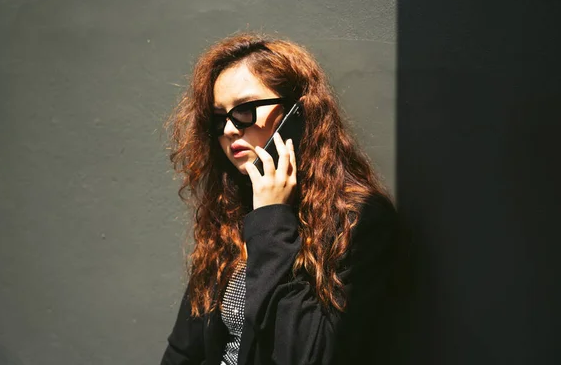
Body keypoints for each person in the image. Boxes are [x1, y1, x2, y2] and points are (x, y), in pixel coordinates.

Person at [161, 32, 401, 365]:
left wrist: (273, 217)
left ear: (296, 115)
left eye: (245, 111)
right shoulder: (233, 213)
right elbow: (183, 351)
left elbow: (306, 355)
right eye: (219, 119)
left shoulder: (358, 219)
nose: (230, 129)